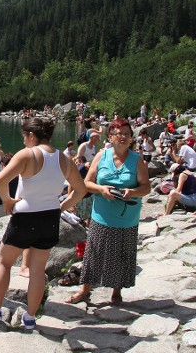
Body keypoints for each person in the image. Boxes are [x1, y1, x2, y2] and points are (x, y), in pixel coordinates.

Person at [0, 117, 87, 329]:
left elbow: (1, 181)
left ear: (31, 136)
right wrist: (62, 206)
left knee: (4, 262)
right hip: (50, 217)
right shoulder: (64, 159)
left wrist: (8, 201)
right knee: (37, 270)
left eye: (24, 137)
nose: (23, 141)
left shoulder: (28, 154)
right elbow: (81, 190)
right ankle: (30, 317)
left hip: (26, 216)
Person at [66, 117, 150, 306]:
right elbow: (86, 182)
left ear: (131, 138)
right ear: (110, 137)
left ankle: (116, 292)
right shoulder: (101, 156)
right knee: (93, 253)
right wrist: (101, 189)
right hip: (101, 214)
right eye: (119, 133)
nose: (123, 137)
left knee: (121, 253)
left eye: (127, 134)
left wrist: (133, 192)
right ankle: (85, 290)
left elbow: (146, 187)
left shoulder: (137, 160)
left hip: (127, 217)